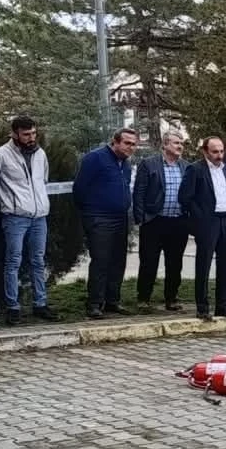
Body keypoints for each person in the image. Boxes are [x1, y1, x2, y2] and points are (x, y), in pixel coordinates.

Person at [0, 116, 59, 324]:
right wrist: (9, 201)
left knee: (38, 260)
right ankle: (13, 307)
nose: (31, 138)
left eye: (34, 133)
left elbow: (43, 181)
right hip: (14, 217)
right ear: (14, 133)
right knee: (13, 262)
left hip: (39, 216)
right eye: (26, 134)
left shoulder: (40, 154)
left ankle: (40, 304)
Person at [72, 128, 138, 319]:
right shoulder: (95, 158)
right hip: (99, 217)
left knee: (118, 260)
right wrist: (90, 212)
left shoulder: (125, 163)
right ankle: (94, 303)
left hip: (120, 217)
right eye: (127, 143)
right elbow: (80, 189)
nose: (131, 147)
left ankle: (112, 301)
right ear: (115, 142)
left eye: (134, 144)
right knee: (101, 260)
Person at [178, 136, 226, 320]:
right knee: (204, 264)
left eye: (221, 151)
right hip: (207, 222)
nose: (219, 155)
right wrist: (200, 216)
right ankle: (202, 307)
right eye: (214, 152)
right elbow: (184, 197)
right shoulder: (195, 169)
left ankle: (223, 306)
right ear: (205, 151)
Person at [132, 130, 189, 311]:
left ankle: (171, 298)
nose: (180, 146)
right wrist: (141, 218)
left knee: (175, 263)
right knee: (149, 262)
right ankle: (143, 298)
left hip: (178, 222)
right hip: (154, 221)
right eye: (176, 143)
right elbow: (139, 192)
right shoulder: (149, 164)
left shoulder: (186, 166)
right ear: (165, 145)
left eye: (181, 143)